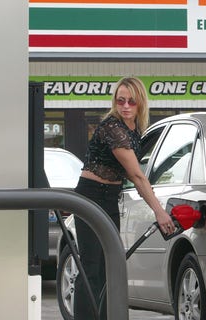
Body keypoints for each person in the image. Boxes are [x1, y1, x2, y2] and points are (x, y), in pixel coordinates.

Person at [73, 76, 175, 320]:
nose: (126, 106)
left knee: (111, 265)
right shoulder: (113, 128)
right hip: (90, 196)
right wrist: (159, 212)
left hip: (109, 198)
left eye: (131, 101)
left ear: (140, 103)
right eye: (121, 101)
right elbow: (137, 176)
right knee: (91, 267)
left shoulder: (134, 130)